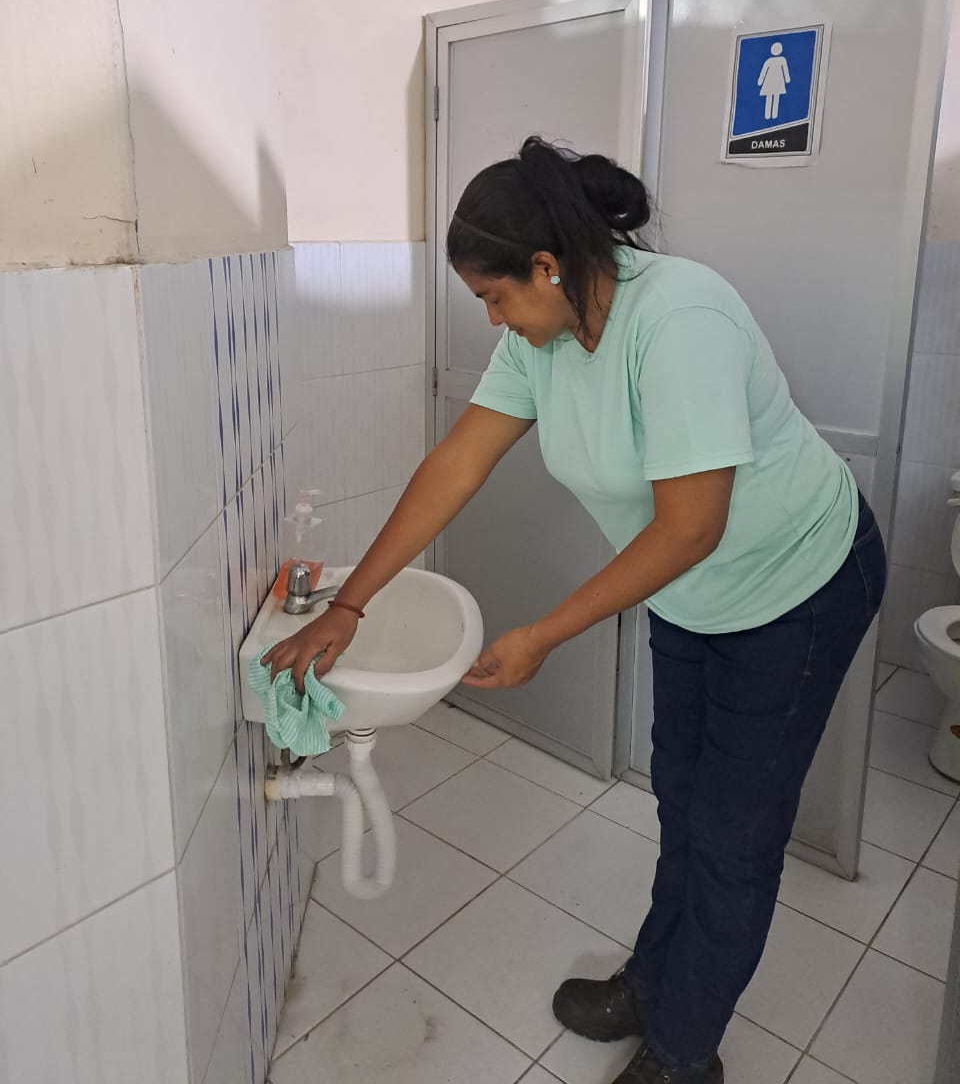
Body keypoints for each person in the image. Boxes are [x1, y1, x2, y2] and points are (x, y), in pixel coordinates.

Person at [262, 136, 887, 1084]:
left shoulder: (678, 320)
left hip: (797, 587)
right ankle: (657, 983)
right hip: (695, 596)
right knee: (683, 797)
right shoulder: (544, 337)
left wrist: (546, 633)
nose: (491, 319)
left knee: (734, 835)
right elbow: (457, 463)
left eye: (495, 296)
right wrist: (350, 604)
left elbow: (691, 528)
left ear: (548, 266)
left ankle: (683, 1054)